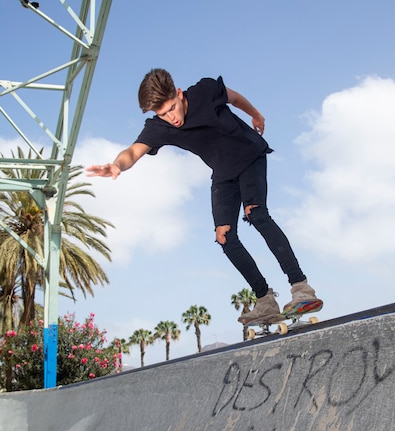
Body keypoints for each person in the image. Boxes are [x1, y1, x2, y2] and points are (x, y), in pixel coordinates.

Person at [86, 69, 322, 324]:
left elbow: (234, 98)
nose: (171, 118)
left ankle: (301, 289)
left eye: (172, 109)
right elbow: (133, 151)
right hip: (223, 172)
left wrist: (255, 114)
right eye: (162, 114)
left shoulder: (205, 91)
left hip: (249, 154)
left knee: (257, 214)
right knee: (224, 236)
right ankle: (265, 300)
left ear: (179, 94)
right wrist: (116, 166)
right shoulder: (160, 126)